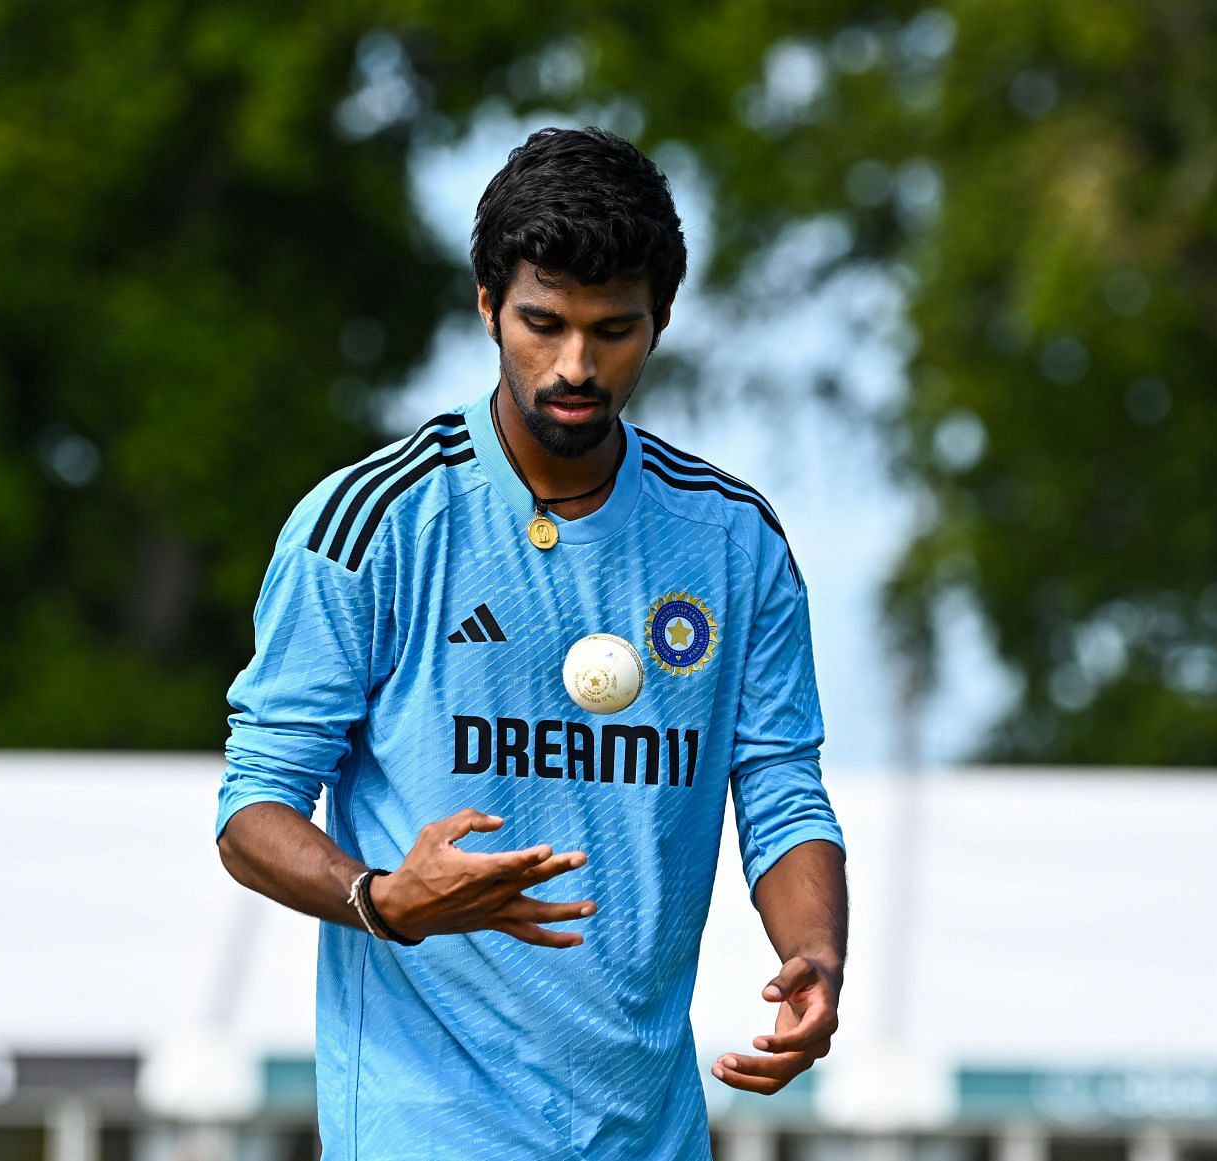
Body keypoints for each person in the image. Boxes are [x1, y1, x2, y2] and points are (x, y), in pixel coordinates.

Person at [214, 126, 847, 1160]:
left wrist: (814, 955)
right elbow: (251, 813)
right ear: (486, 306)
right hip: (429, 1127)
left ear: (663, 319)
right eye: (542, 324)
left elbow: (780, 788)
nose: (575, 366)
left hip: (649, 1132)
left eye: (614, 332)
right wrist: (384, 900)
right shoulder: (372, 525)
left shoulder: (733, 541)